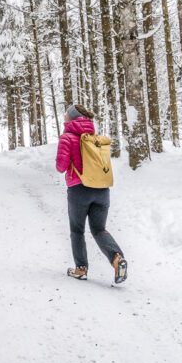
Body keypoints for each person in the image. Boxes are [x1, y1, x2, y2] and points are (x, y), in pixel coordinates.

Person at [55, 103, 127, 283]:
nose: (64, 117)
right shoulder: (94, 137)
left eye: (66, 115)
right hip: (102, 190)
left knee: (77, 230)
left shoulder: (68, 137)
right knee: (99, 229)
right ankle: (117, 258)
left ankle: (81, 269)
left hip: (79, 190)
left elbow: (60, 166)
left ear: (71, 118)